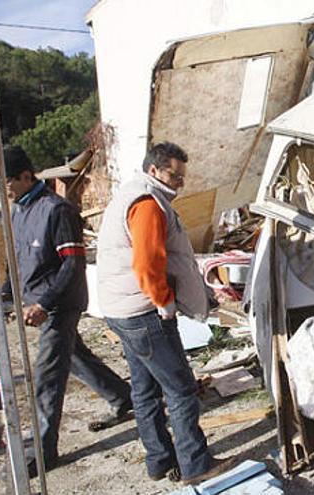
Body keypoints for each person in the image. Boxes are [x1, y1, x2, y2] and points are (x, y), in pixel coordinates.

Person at [96, 142, 232, 485]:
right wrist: (164, 301)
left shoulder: (133, 192)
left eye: (183, 176)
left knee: (144, 389)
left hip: (120, 308)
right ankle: (196, 465)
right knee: (181, 388)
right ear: (154, 170)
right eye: (174, 174)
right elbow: (146, 262)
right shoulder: (147, 205)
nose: (180, 182)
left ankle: (159, 461)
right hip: (142, 311)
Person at [0, 146, 133, 477]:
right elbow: (17, 260)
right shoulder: (19, 211)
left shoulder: (57, 211)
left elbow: (72, 265)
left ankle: (43, 451)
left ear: (26, 176)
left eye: (5, 183)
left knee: (47, 376)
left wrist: (44, 304)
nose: (2, 191)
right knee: (75, 357)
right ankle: (123, 397)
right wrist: (4, 295)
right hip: (39, 302)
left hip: (60, 305)